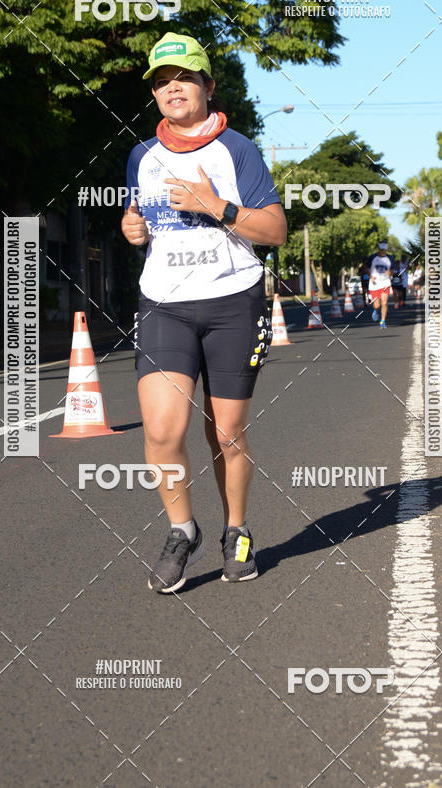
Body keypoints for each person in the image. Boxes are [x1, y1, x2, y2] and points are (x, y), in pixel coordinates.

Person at [121, 32, 287, 593]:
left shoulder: (236, 149)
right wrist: (131, 228)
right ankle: (181, 529)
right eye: (162, 82)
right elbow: (137, 218)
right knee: (163, 430)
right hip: (164, 303)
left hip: (232, 301)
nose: (173, 89)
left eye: (183, 79)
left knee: (228, 431)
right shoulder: (141, 156)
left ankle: (235, 531)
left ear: (207, 87)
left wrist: (213, 204)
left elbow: (275, 230)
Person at [366, 240, 393, 329]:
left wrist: (390, 272)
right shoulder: (372, 257)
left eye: (384, 250)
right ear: (378, 249)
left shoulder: (390, 258)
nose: (382, 251)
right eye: (381, 250)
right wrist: (370, 276)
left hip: (385, 283)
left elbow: (393, 269)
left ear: (386, 250)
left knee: (384, 302)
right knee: (377, 305)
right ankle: (375, 310)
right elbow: (366, 267)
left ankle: (383, 321)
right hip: (375, 283)